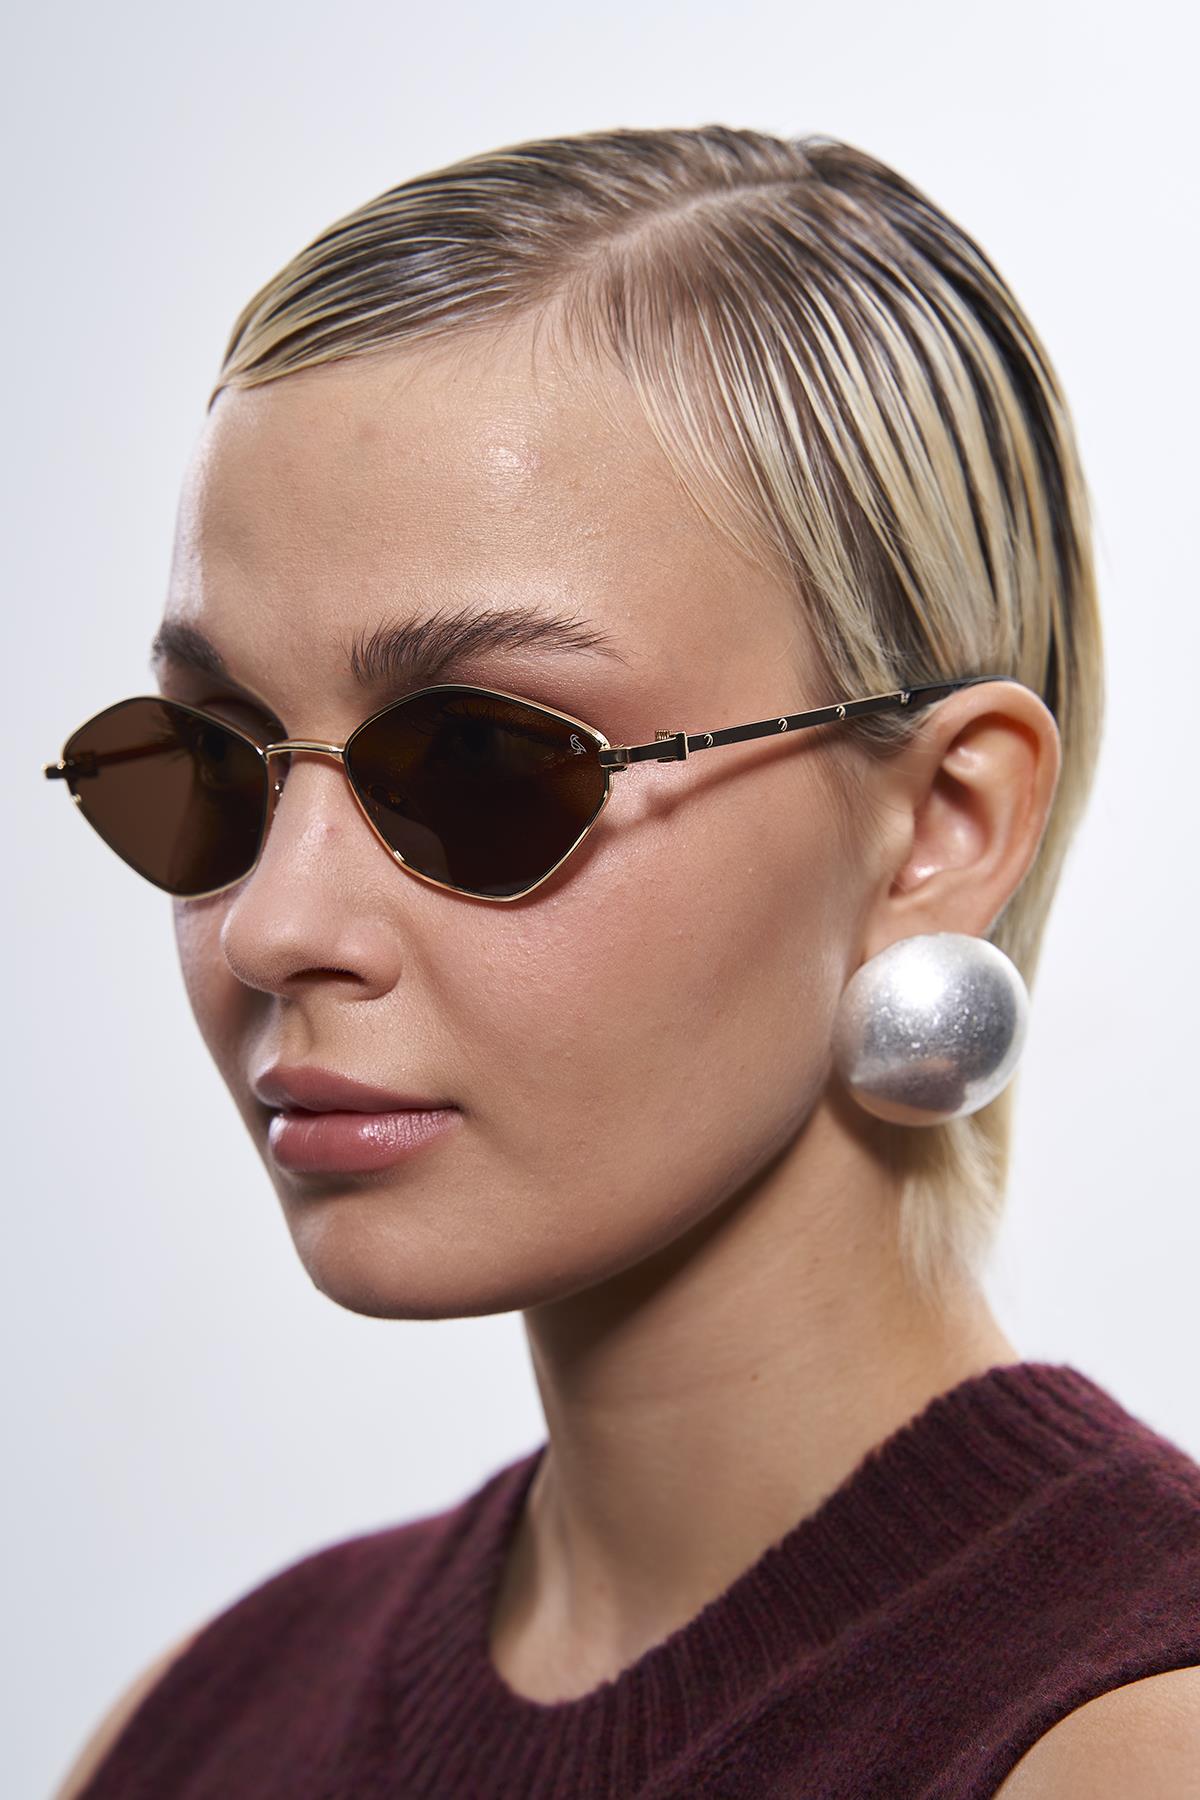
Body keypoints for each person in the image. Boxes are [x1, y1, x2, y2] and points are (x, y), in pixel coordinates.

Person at [48, 126, 1199, 1798]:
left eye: (481, 762)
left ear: (942, 822)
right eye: (213, 758)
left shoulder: (1125, 1745)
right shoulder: (193, 1731)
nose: (275, 923)